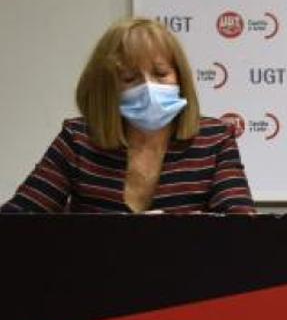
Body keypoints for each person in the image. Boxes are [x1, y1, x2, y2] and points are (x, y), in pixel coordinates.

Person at [3, 17, 253, 213]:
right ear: (107, 88)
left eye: (161, 73)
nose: (148, 87)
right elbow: (19, 220)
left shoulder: (214, 139)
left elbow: (243, 227)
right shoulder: (78, 140)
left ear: (180, 77)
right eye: (129, 78)